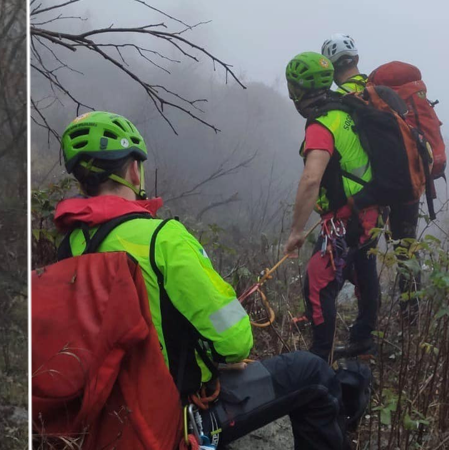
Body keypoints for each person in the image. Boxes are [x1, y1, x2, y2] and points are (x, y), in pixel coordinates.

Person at [53, 110, 347, 449]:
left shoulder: (69, 247)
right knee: (313, 373)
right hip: (172, 420)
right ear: (134, 170)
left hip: (103, 418)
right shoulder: (163, 238)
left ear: (81, 182)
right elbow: (235, 342)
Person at [283, 51, 382, 361]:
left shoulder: (322, 123)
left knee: (317, 284)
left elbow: (311, 179)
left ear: (300, 90)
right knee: (363, 271)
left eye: (292, 88)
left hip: (346, 217)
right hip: (370, 208)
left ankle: (319, 358)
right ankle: (363, 342)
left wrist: (296, 231)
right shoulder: (346, 108)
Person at [323, 33, 421, 321]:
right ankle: (411, 317)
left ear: (330, 68)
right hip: (404, 184)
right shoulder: (384, 92)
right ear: (356, 59)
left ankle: (365, 322)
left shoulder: (338, 101)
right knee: (406, 249)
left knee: (363, 254)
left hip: (370, 191)